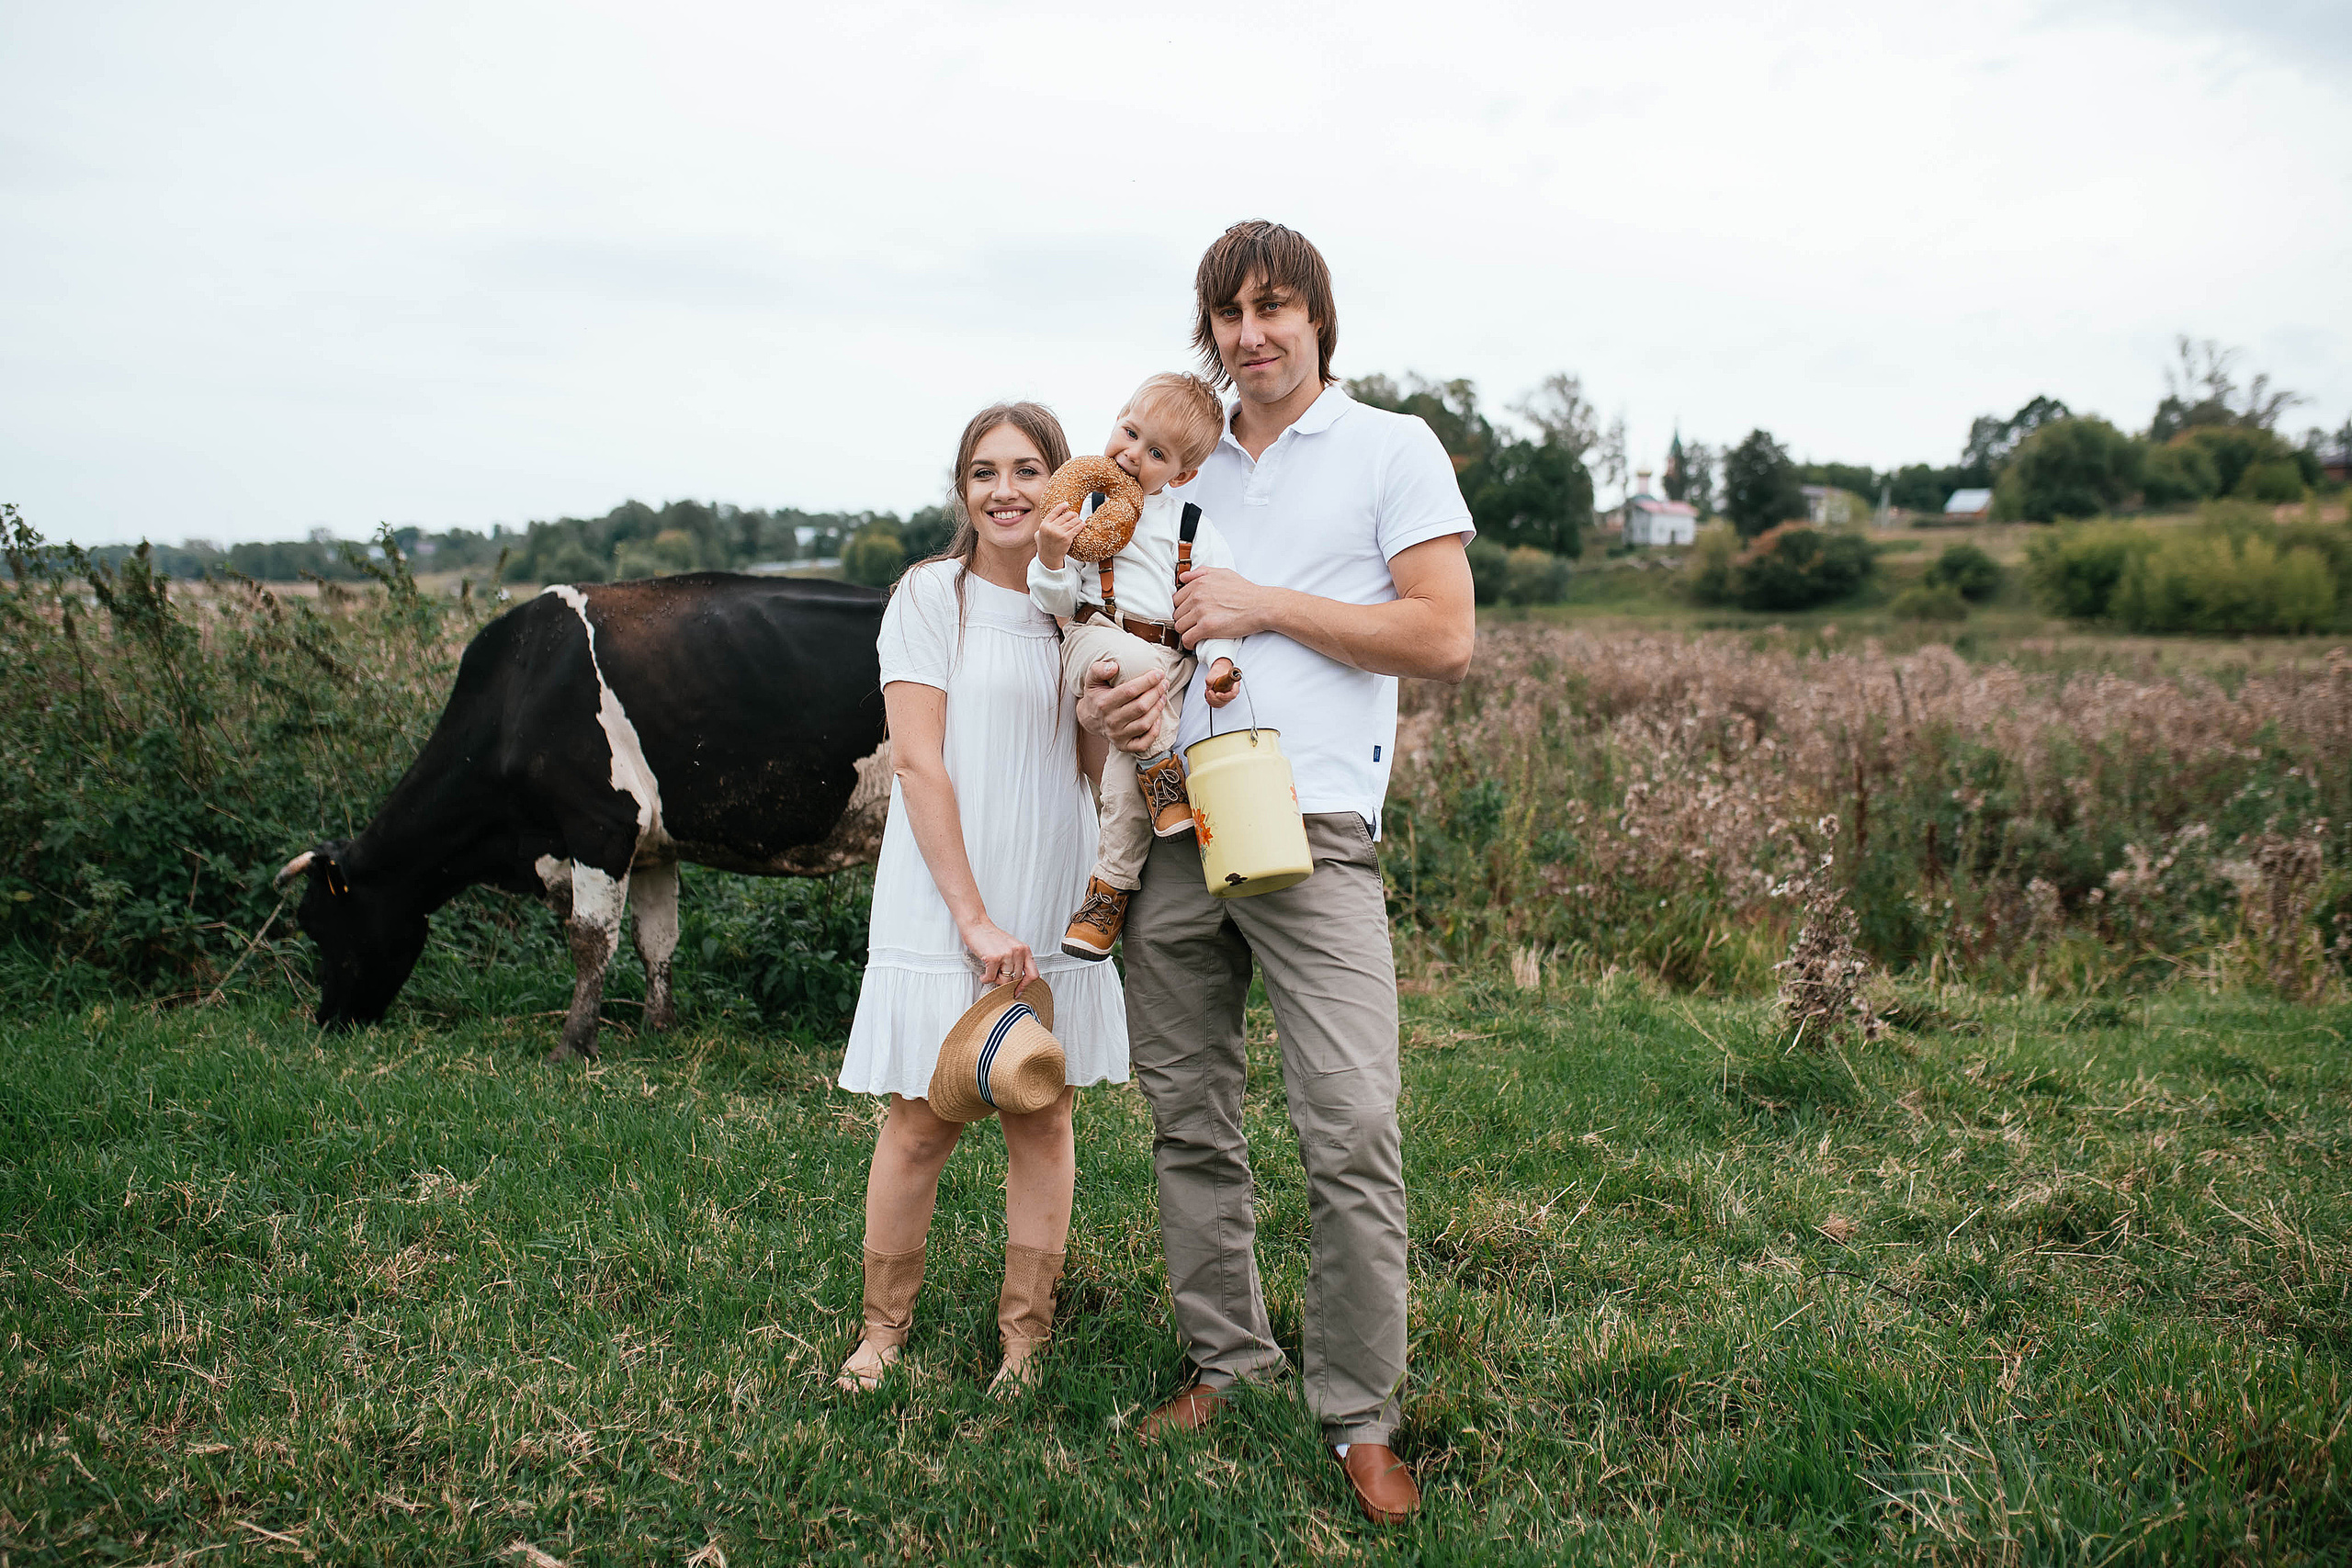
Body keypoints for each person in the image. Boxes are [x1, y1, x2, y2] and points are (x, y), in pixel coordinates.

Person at [1076, 221, 1476, 1526]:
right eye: (1231, 314)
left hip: (1314, 831)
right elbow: (1160, 627)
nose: (1253, 334)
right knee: (1189, 1112)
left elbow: (1442, 633)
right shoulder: (1184, 465)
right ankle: (1227, 1361)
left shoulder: (1389, 447)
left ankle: (1359, 1412)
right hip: (1182, 819)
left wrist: (1264, 603)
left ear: (1317, 320)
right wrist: (1143, 707)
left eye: (1275, 308)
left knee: (1349, 1122)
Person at [835, 400, 1129, 1395]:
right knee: (921, 1119)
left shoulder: (1083, 602)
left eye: (1025, 468)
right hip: (944, 891)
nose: (1004, 490)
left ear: (1062, 482)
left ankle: (1024, 1342)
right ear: (963, 491)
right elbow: (918, 764)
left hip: (1051, 880)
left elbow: (1088, 766)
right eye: (981, 472)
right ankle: (881, 1332)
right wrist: (970, 916)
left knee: (1041, 1117)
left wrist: (1103, 703)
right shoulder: (931, 596)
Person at [1027, 371, 1245, 962]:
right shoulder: (1082, 510)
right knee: (1130, 670)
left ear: (1182, 474)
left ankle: (1107, 896)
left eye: (1156, 453)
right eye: (1129, 432)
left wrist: (1221, 662)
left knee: (1124, 784)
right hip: (1095, 638)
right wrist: (1050, 555)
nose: (1131, 454)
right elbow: (1056, 602)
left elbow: (1219, 611)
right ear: (1117, 418)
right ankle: (1166, 769)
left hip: (1171, 659)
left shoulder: (1193, 528)